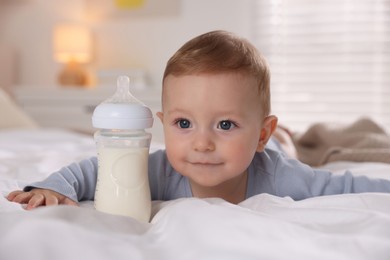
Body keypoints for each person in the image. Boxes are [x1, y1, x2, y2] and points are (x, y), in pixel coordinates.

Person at [7, 30, 390, 209]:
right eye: (183, 124)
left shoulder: (282, 176)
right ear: (162, 123)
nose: (201, 144)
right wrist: (51, 188)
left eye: (225, 125)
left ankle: (283, 136)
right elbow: (90, 172)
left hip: (273, 150)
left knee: (290, 149)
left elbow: (343, 184)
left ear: (259, 133)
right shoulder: (157, 170)